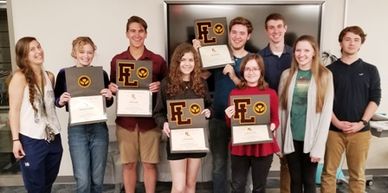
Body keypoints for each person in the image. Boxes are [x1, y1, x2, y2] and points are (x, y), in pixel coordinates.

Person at [193, 16, 253, 193]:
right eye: (234, 32)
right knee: (218, 166)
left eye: (242, 33)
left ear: (248, 36)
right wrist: (198, 53)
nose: (237, 36)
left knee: (242, 168)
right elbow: (202, 75)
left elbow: (254, 89)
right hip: (218, 118)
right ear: (228, 34)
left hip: (243, 121)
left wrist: (234, 76)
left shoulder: (252, 59)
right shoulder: (219, 55)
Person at [109, 16, 168, 193]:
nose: (137, 34)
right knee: (128, 165)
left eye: (140, 31)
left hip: (150, 122)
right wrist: (111, 88)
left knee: (150, 164)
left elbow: (168, 88)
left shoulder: (157, 60)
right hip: (126, 123)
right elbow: (112, 86)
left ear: (146, 33)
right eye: (133, 31)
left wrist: (160, 86)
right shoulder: (117, 60)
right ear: (127, 33)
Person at [321, 26, 381, 193]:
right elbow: (323, 101)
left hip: (360, 132)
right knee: (329, 173)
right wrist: (337, 123)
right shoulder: (329, 71)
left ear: (361, 43)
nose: (352, 43)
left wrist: (362, 123)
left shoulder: (370, 70)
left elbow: (375, 99)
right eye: (347, 39)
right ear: (341, 42)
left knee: (358, 175)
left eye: (356, 40)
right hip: (334, 131)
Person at [54, 36, 113, 193]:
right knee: (83, 181)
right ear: (74, 52)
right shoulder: (64, 74)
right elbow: (56, 99)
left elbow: (107, 103)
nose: (86, 56)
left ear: (94, 53)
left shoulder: (101, 74)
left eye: (89, 52)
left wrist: (109, 97)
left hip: (99, 128)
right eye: (82, 52)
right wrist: (61, 100)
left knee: (97, 180)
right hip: (77, 130)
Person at [153, 42, 213, 193]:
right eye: (183, 60)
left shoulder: (201, 83)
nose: (187, 63)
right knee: (179, 187)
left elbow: (210, 105)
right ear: (177, 62)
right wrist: (164, 124)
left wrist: (208, 112)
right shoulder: (167, 84)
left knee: (191, 184)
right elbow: (158, 112)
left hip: (196, 139)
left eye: (191, 60)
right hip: (176, 139)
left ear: (195, 62)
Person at [278, 35, 334, 193]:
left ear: (314, 52)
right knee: (295, 180)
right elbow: (281, 111)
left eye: (306, 50)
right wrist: (280, 140)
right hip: (291, 137)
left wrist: (318, 147)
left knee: (308, 181)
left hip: (311, 138)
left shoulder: (325, 75)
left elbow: (326, 114)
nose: (301, 54)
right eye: (298, 50)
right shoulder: (286, 75)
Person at [8, 37, 62, 193]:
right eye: (32, 49)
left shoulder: (49, 76)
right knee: (35, 187)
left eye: (39, 47)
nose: (38, 51)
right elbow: (14, 111)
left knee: (47, 184)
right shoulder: (19, 78)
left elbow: (52, 105)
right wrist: (15, 140)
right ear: (24, 56)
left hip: (53, 137)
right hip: (31, 140)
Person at [224, 54, 280, 193]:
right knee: (237, 186)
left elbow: (275, 119)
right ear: (242, 71)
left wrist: (271, 127)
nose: (251, 72)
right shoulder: (234, 93)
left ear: (261, 71)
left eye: (255, 69)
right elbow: (230, 124)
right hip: (240, 146)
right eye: (248, 69)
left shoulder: (270, 93)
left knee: (259, 188)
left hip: (262, 146)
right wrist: (228, 115)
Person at [259, 13, 293, 193]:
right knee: (262, 158)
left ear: (285, 28)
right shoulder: (259, 57)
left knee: (287, 159)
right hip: (264, 115)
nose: (276, 31)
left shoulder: (298, 54)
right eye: (271, 27)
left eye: (279, 26)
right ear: (266, 31)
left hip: (290, 115)